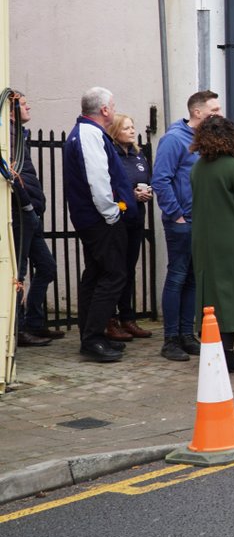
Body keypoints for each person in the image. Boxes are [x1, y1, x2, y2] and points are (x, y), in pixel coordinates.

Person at [64, 87, 137, 362]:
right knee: (113, 275)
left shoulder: (84, 134)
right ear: (105, 110)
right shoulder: (90, 135)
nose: (115, 111)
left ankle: (91, 335)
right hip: (100, 219)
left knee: (95, 276)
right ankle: (93, 338)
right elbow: (98, 179)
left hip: (93, 217)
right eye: (113, 106)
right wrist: (111, 213)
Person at [151, 89, 220, 361]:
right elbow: (161, 180)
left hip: (201, 222)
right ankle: (170, 340)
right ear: (197, 112)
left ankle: (186, 335)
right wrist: (176, 214)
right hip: (182, 222)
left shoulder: (205, 141)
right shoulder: (173, 139)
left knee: (193, 279)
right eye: (214, 110)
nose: (218, 115)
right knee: (178, 277)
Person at [189, 116, 234, 372]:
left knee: (211, 296)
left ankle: (213, 347)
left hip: (205, 240)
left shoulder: (198, 167)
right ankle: (227, 353)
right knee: (231, 298)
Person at [11, 92, 61, 347]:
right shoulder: (8, 138)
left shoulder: (19, 136)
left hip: (30, 213)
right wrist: (28, 205)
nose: (29, 106)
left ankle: (34, 323)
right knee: (17, 274)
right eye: (22, 104)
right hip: (21, 213)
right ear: (10, 112)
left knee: (47, 267)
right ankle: (18, 331)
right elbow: (11, 175)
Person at [108, 113, 154, 341]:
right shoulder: (111, 154)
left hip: (137, 218)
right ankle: (110, 319)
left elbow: (148, 178)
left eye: (132, 126)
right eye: (126, 127)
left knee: (129, 269)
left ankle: (128, 317)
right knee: (114, 270)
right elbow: (110, 185)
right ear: (115, 130)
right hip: (117, 220)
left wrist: (147, 192)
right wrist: (129, 196)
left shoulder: (138, 154)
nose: (132, 130)